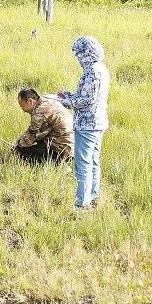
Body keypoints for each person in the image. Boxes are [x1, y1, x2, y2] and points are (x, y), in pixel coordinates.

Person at [57, 36, 110, 210]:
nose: (78, 58)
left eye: (80, 54)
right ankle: (93, 197)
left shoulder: (92, 72)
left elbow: (87, 100)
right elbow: (87, 97)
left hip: (88, 125)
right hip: (97, 122)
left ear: (86, 53)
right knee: (94, 161)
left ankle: (82, 203)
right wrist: (68, 95)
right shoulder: (101, 69)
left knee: (83, 164)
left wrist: (65, 102)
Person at [13, 88, 74, 165]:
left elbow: (31, 136)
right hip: (73, 145)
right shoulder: (49, 101)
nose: (23, 111)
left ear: (30, 101)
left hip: (63, 150)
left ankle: (57, 165)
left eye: (22, 107)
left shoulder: (40, 113)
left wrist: (15, 149)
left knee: (22, 153)